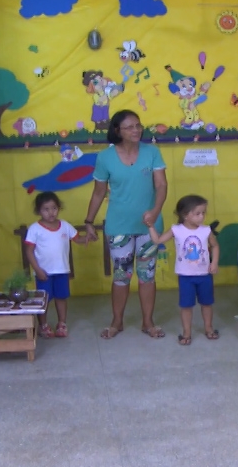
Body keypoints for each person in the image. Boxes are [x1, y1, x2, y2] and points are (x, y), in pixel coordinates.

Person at [83, 110, 168, 340]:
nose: (136, 130)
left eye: (138, 125)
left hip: (149, 226)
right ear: (117, 131)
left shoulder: (152, 152)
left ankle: (148, 322)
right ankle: (117, 322)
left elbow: (161, 185)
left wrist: (155, 211)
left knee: (147, 275)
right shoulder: (105, 157)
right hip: (119, 226)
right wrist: (89, 221)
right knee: (121, 276)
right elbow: (98, 193)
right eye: (129, 127)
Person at [147, 195, 220, 346]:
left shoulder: (206, 230)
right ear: (185, 215)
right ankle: (186, 333)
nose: (202, 216)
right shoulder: (176, 230)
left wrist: (214, 263)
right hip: (185, 277)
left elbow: (215, 246)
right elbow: (158, 240)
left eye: (203, 213)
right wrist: (151, 226)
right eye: (197, 213)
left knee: (207, 303)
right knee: (186, 306)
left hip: (205, 275)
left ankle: (209, 328)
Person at [24, 191, 88, 338]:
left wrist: (88, 238)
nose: (51, 212)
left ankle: (62, 324)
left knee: (61, 297)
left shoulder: (65, 225)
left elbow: (77, 239)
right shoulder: (35, 229)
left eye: (54, 208)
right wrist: (37, 270)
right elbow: (29, 251)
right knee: (43, 300)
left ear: (59, 208)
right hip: (43, 272)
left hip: (62, 271)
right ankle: (43, 326)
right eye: (46, 209)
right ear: (38, 211)